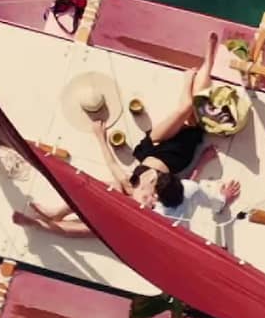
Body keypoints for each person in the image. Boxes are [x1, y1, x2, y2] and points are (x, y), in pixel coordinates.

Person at [15, 118, 239, 234]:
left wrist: (221, 200)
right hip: (131, 202)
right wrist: (100, 137)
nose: (150, 199)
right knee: (101, 187)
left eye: (151, 197)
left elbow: (193, 190)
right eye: (150, 192)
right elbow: (193, 186)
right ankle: (57, 211)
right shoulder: (173, 188)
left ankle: (37, 225)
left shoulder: (158, 214)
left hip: (128, 223)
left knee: (85, 229)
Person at [130, 30, 221, 177]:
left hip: (151, 148)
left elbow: (114, 169)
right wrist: (203, 161)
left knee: (186, 107)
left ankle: (190, 78)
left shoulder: (129, 188)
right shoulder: (165, 193)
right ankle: (208, 62)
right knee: (194, 109)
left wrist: (100, 137)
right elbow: (188, 182)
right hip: (178, 156)